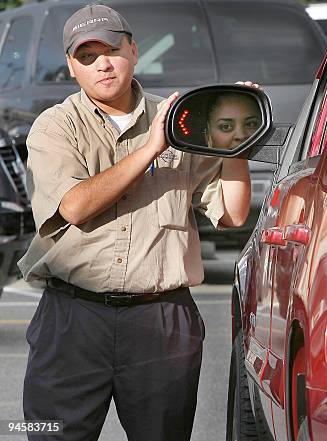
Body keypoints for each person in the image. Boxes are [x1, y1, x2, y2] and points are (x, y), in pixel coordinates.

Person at [17, 4, 254, 440]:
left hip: (161, 319)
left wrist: (236, 137)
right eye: (86, 56)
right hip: (73, 318)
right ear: (72, 67)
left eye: (111, 49)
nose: (102, 64)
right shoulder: (54, 127)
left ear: (134, 51)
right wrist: (150, 148)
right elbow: (74, 206)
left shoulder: (180, 120)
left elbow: (233, 213)